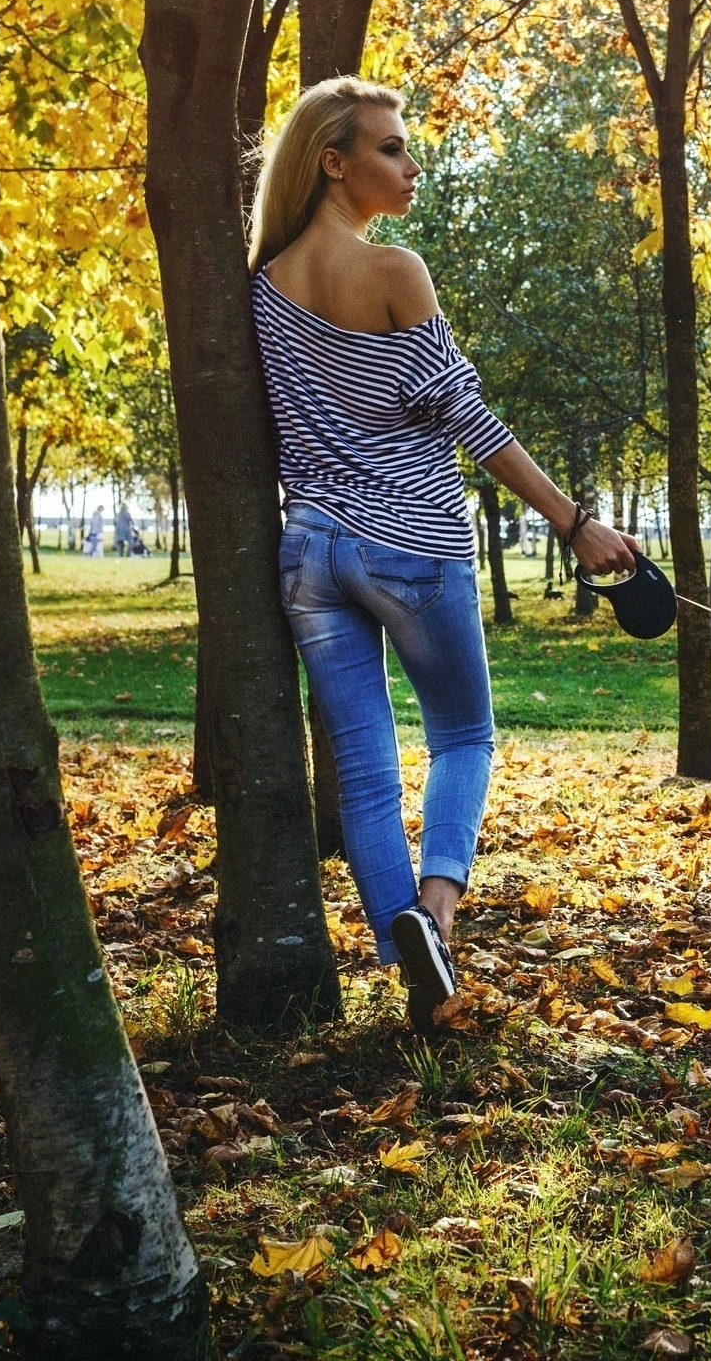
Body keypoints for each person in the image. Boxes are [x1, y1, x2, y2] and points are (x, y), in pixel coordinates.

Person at [250, 76, 640, 1034]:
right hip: (408, 547)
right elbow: (469, 418)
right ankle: (435, 916)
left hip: (308, 555)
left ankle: (408, 960)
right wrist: (572, 522)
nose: (411, 165)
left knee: (366, 765)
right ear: (334, 163)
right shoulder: (396, 272)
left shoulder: (261, 283)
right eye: (390, 148)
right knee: (465, 737)